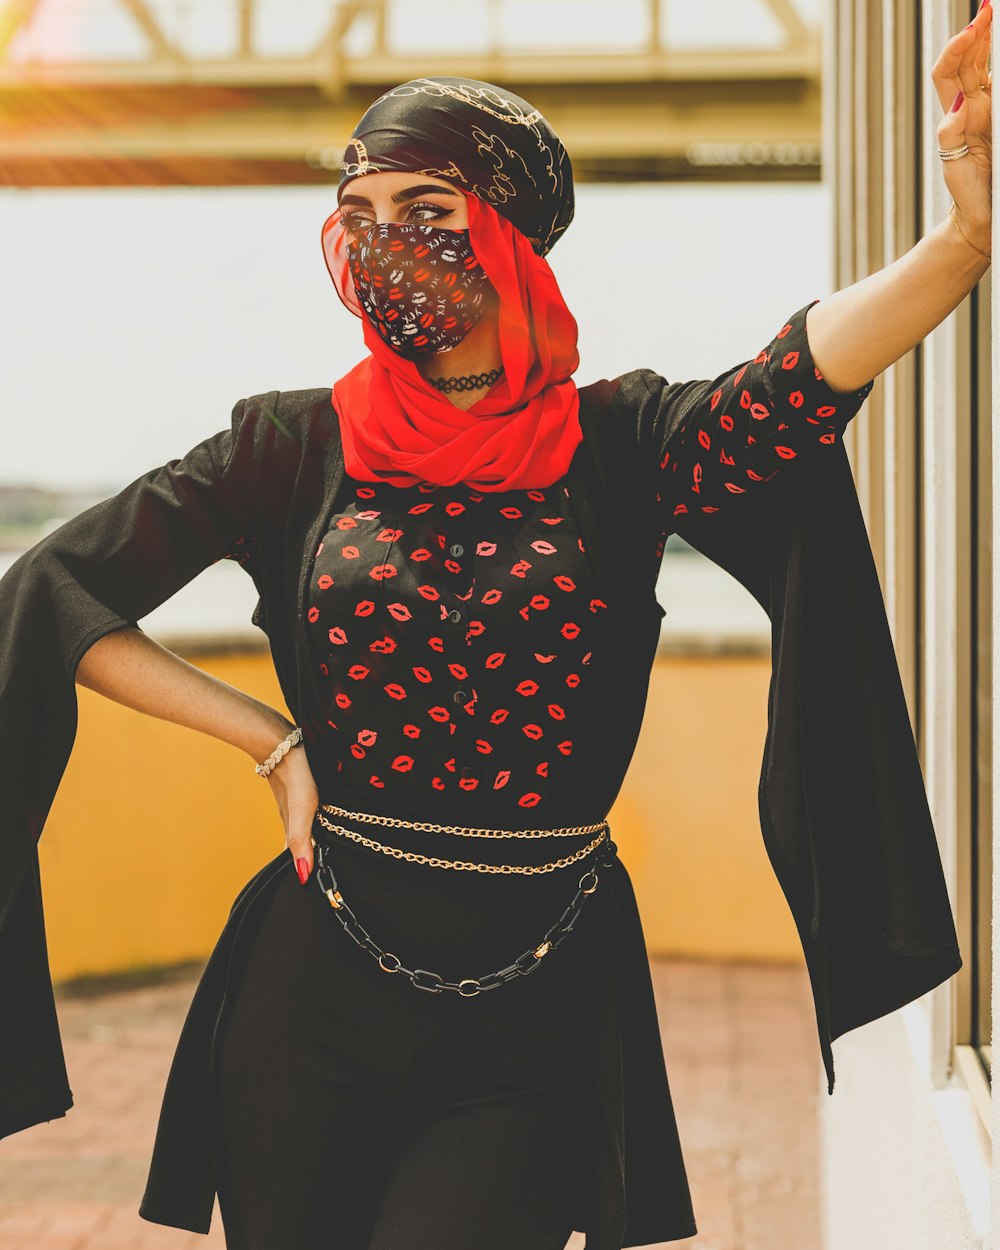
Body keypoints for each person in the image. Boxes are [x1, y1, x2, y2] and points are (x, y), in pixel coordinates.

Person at [0, 13, 989, 1248]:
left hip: (538, 1006)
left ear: (511, 230)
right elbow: (49, 591)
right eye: (359, 210)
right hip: (308, 994)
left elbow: (800, 379)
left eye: (427, 202)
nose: (381, 241)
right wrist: (267, 734)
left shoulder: (622, 445)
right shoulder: (287, 445)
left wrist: (963, 238)